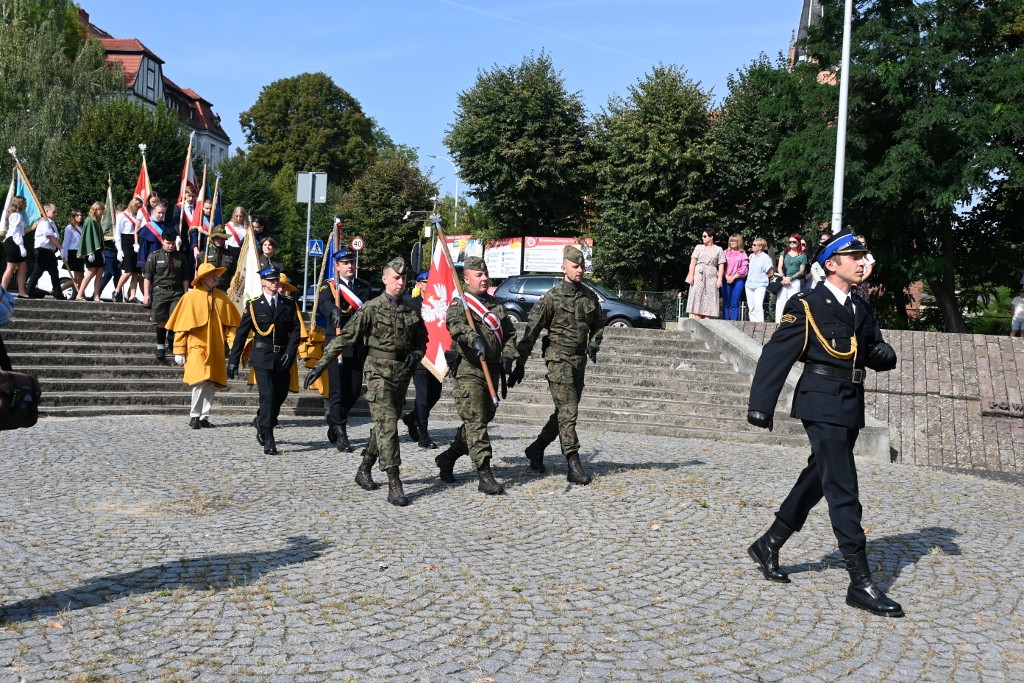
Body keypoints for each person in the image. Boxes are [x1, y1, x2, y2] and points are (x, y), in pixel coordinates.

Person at [746, 230, 903, 618]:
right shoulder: (808, 303)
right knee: (842, 485)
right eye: (855, 256)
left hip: (850, 403)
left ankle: (769, 543)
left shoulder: (860, 307)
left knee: (820, 474)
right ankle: (860, 581)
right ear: (832, 264)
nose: (863, 262)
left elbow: (867, 351)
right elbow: (777, 352)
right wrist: (760, 404)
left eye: (864, 256)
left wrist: (883, 355)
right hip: (820, 401)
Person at [304, 257, 427, 507]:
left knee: (383, 425)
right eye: (395, 278)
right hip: (377, 374)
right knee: (389, 424)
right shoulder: (371, 308)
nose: (400, 282)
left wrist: (416, 355)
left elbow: (421, 341)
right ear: (384, 280)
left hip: (401, 375)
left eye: (403, 279)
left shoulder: (411, 310)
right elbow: (346, 338)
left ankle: (364, 469)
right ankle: (394, 481)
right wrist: (321, 364)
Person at [510, 245, 604, 484]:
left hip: (579, 361)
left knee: (563, 412)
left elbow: (599, 325)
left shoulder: (589, 296)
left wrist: (594, 343)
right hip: (558, 360)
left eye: (582, 266)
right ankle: (573, 464)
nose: (580, 270)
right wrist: (519, 363)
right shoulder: (551, 298)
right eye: (575, 266)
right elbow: (531, 332)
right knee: (569, 412)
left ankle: (536, 448)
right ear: (564, 268)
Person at [434, 257, 518, 494]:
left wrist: (509, 355)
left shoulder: (497, 306)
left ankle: (448, 457)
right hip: (468, 371)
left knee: (480, 421)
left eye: (485, 274)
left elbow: (510, 334)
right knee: (476, 422)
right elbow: (455, 325)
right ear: (466, 279)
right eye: (478, 275)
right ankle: (484, 474)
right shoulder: (460, 304)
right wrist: (474, 338)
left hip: (491, 372)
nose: (483, 278)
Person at [228, 267, 304, 455]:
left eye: (276, 279)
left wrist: (291, 351)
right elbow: (242, 333)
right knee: (268, 395)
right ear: (263, 282)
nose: (274, 283)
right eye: (270, 280)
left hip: (282, 356)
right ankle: (269, 436)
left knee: (280, 395)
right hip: (262, 357)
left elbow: (296, 330)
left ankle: (261, 419)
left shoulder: (288, 303)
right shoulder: (254, 305)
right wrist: (233, 359)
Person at [166, 262, 241, 429]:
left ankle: (204, 416)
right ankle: (194, 415)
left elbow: (230, 327)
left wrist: (235, 347)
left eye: (217, 275)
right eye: (212, 275)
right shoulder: (190, 298)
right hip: (195, 346)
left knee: (211, 381)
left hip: (215, 346)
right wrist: (179, 349)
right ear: (202, 279)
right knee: (199, 380)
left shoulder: (221, 297)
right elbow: (181, 327)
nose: (216, 277)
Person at [314, 249, 372, 452]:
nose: (349, 266)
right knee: (337, 391)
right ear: (336, 266)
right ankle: (341, 433)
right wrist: (333, 310)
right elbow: (324, 303)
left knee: (354, 389)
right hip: (336, 344)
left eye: (351, 263)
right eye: (345, 263)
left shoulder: (363, 287)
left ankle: (335, 418)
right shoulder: (329, 286)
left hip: (356, 345)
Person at [401, 270, 443, 449]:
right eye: (426, 282)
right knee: (424, 394)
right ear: (419, 285)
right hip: (420, 354)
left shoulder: (440, 304)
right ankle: (423, 433)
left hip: (437, 355)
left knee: (435, 393)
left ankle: (412, 418)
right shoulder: (412, 304)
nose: (430, 285)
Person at [142, 230, 189, 360]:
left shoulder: (180, 257)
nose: (171, 246)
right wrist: (146, 294)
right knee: (161, 319)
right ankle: (160, 347)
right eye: (168, 243)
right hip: (160, 291)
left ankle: (172, 339)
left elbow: (185, 277)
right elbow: (147, 276)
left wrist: (186, 293)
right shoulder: (155, 256)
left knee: (175, 319)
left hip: (176, 292)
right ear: (162, 241)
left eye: (173, 243)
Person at [23, 203, 66, 300]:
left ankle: (58, 293)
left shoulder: (52, 223)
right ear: (46, 211)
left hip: (50, 251)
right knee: (38, 272)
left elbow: (55, 237)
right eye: (54, 212)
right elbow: (50, 236)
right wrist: (61, 248)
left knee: (54, 273)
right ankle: (29, 291)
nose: (56, 214)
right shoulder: (44, 223)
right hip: (42, 250)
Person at [685, 230, 725, 319]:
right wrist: (691, 275)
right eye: (702, 236)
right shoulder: (698, 247)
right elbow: (692, 263)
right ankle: (697, 321)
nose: (703, 238)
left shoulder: (718, 249)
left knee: (710, 298)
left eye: (705, 236)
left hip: (712, 275)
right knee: (698, 296)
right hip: (699, 274)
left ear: (711, 237)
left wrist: (719, 279)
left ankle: (707, 322)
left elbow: (721, 265)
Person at [114, 197, 143, 303]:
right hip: (126, 242)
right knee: (129, 271)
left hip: (136, 242)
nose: (139, 209)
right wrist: (119, 249)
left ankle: (132, 296)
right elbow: (117, 233)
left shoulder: (139, 216)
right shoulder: (122, 216)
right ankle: (117, 290)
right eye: (137, 206)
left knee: (136, 272)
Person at [775, 233, 808, 323]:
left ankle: (792, 322)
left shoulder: (802, 255)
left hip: (794, 281)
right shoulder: (784, 253)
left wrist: (791, 278)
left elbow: (801, 271)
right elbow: (779, 267)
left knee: (793, 301)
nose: (791, 243)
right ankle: (778, 322)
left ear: (798, 243)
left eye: (794, 242)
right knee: (780, 301)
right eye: (790, 242)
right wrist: (784, 277)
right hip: (783, 279)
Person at [2, 196, 31, 298]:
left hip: (16, 242)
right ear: (20, 204)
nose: (26, 205)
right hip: (14, 242)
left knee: (23, 267)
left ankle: (22, 292)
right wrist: (21, 246)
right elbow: (15, 233)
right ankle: (2, 290)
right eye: (25, 203)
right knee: (10, 267)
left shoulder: (19, 215)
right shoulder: (16, 216)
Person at [77, 201, 106, 302]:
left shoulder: (97, 221)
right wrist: (90, 252)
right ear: (95, 210)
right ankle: (80, 294)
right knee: (91, 272)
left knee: (99, 273)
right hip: (92, 251)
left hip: (98, 250)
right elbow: (88, 237)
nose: (102, 212)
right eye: (100, 210)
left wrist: (102, 252)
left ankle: (96, 296)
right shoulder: (90, 221)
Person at [137, 201, 172, 274]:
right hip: (152, 261)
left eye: (163, 213)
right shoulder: (147, 228)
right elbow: (143, 248)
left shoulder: (169, 227)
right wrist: (143, 264)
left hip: (166, 260)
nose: (161, 215)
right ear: (154, 211)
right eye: (159, 213)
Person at [744, 237, 775, 323]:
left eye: (754, 245)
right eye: (752, 244)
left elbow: (771, 272)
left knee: (758, 305)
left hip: (760, 285)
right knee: (751, 307)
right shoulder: (751, 256)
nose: (752, 246)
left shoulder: (765, 258)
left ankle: (760, 324)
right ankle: (752, 323)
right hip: (749, 284)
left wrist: (763, 278)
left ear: (760, 247)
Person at [722, 234, 749, 321]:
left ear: (739, 242)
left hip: (738, 280)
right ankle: (725, 322)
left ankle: (734, 323)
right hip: (725, 279)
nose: (732, 242)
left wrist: (733, 277)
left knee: (735, 303)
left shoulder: (743, 254)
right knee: (726, 303)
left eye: (735, 241)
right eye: (731, 241)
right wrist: (726, 276)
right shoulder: (725, 252)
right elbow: (721, 266)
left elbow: (744, 268)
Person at [61, 209, 84, 297]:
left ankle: (59, 289)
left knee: (79, 278)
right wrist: (64, 254)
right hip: (73, 253)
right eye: (77, 215)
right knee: (79, 277)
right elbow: (66, 242)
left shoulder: (82, 227)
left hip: (80, 253)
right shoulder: (69, 227)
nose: (80, 217)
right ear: (73, 217)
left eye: (81, 215)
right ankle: (82, 295)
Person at [852, 233, 875, 300]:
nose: (861, 244)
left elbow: (869, 271)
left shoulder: (868, 256)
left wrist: (860, 280)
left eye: (863, 242)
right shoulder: (851, 255)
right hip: (851, 282)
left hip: (862, 282)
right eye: (859, 242)